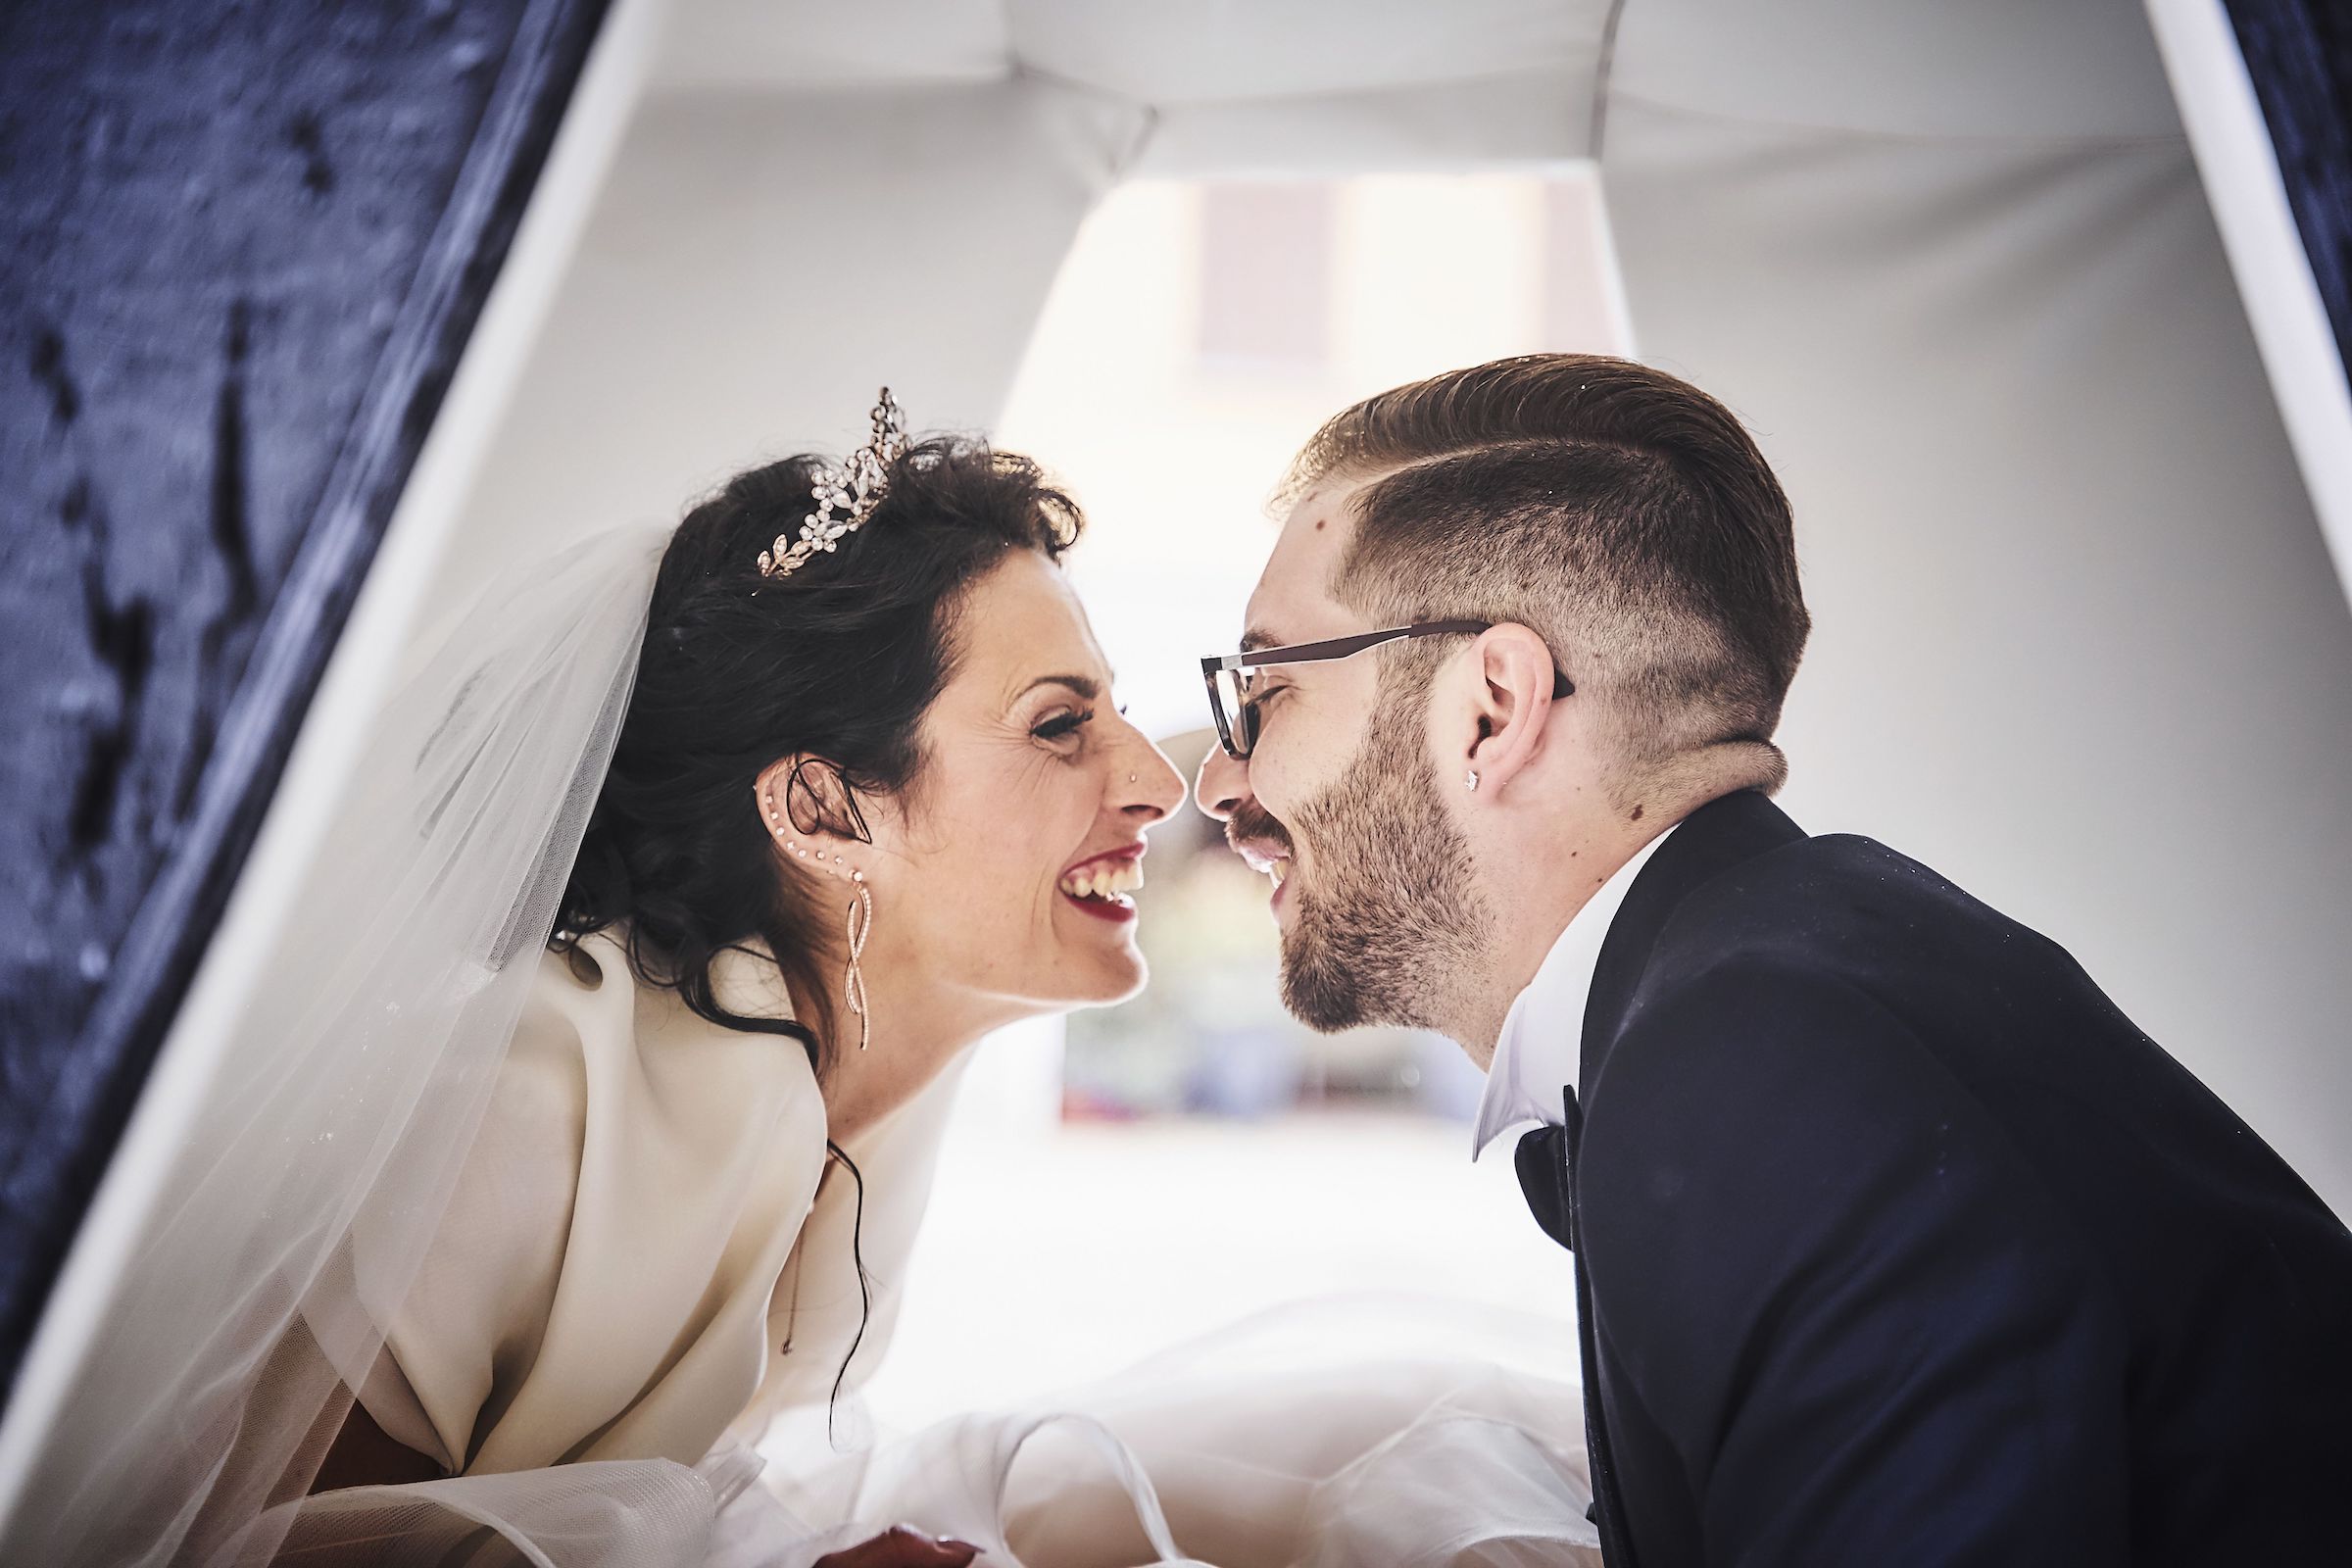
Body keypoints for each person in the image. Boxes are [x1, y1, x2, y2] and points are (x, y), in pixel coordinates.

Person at [19, 391, 1597, 1568]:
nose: (1155, 781)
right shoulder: (513, 1109)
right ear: (823, 809)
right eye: (1061, 725)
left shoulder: (853, 1100)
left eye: (1118, 712)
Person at [1193, 353, 2352, 1566]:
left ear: (1491, 709)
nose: (1219, 780)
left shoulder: (1758, 1059)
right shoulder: (1798, 969)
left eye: (1264, 691)